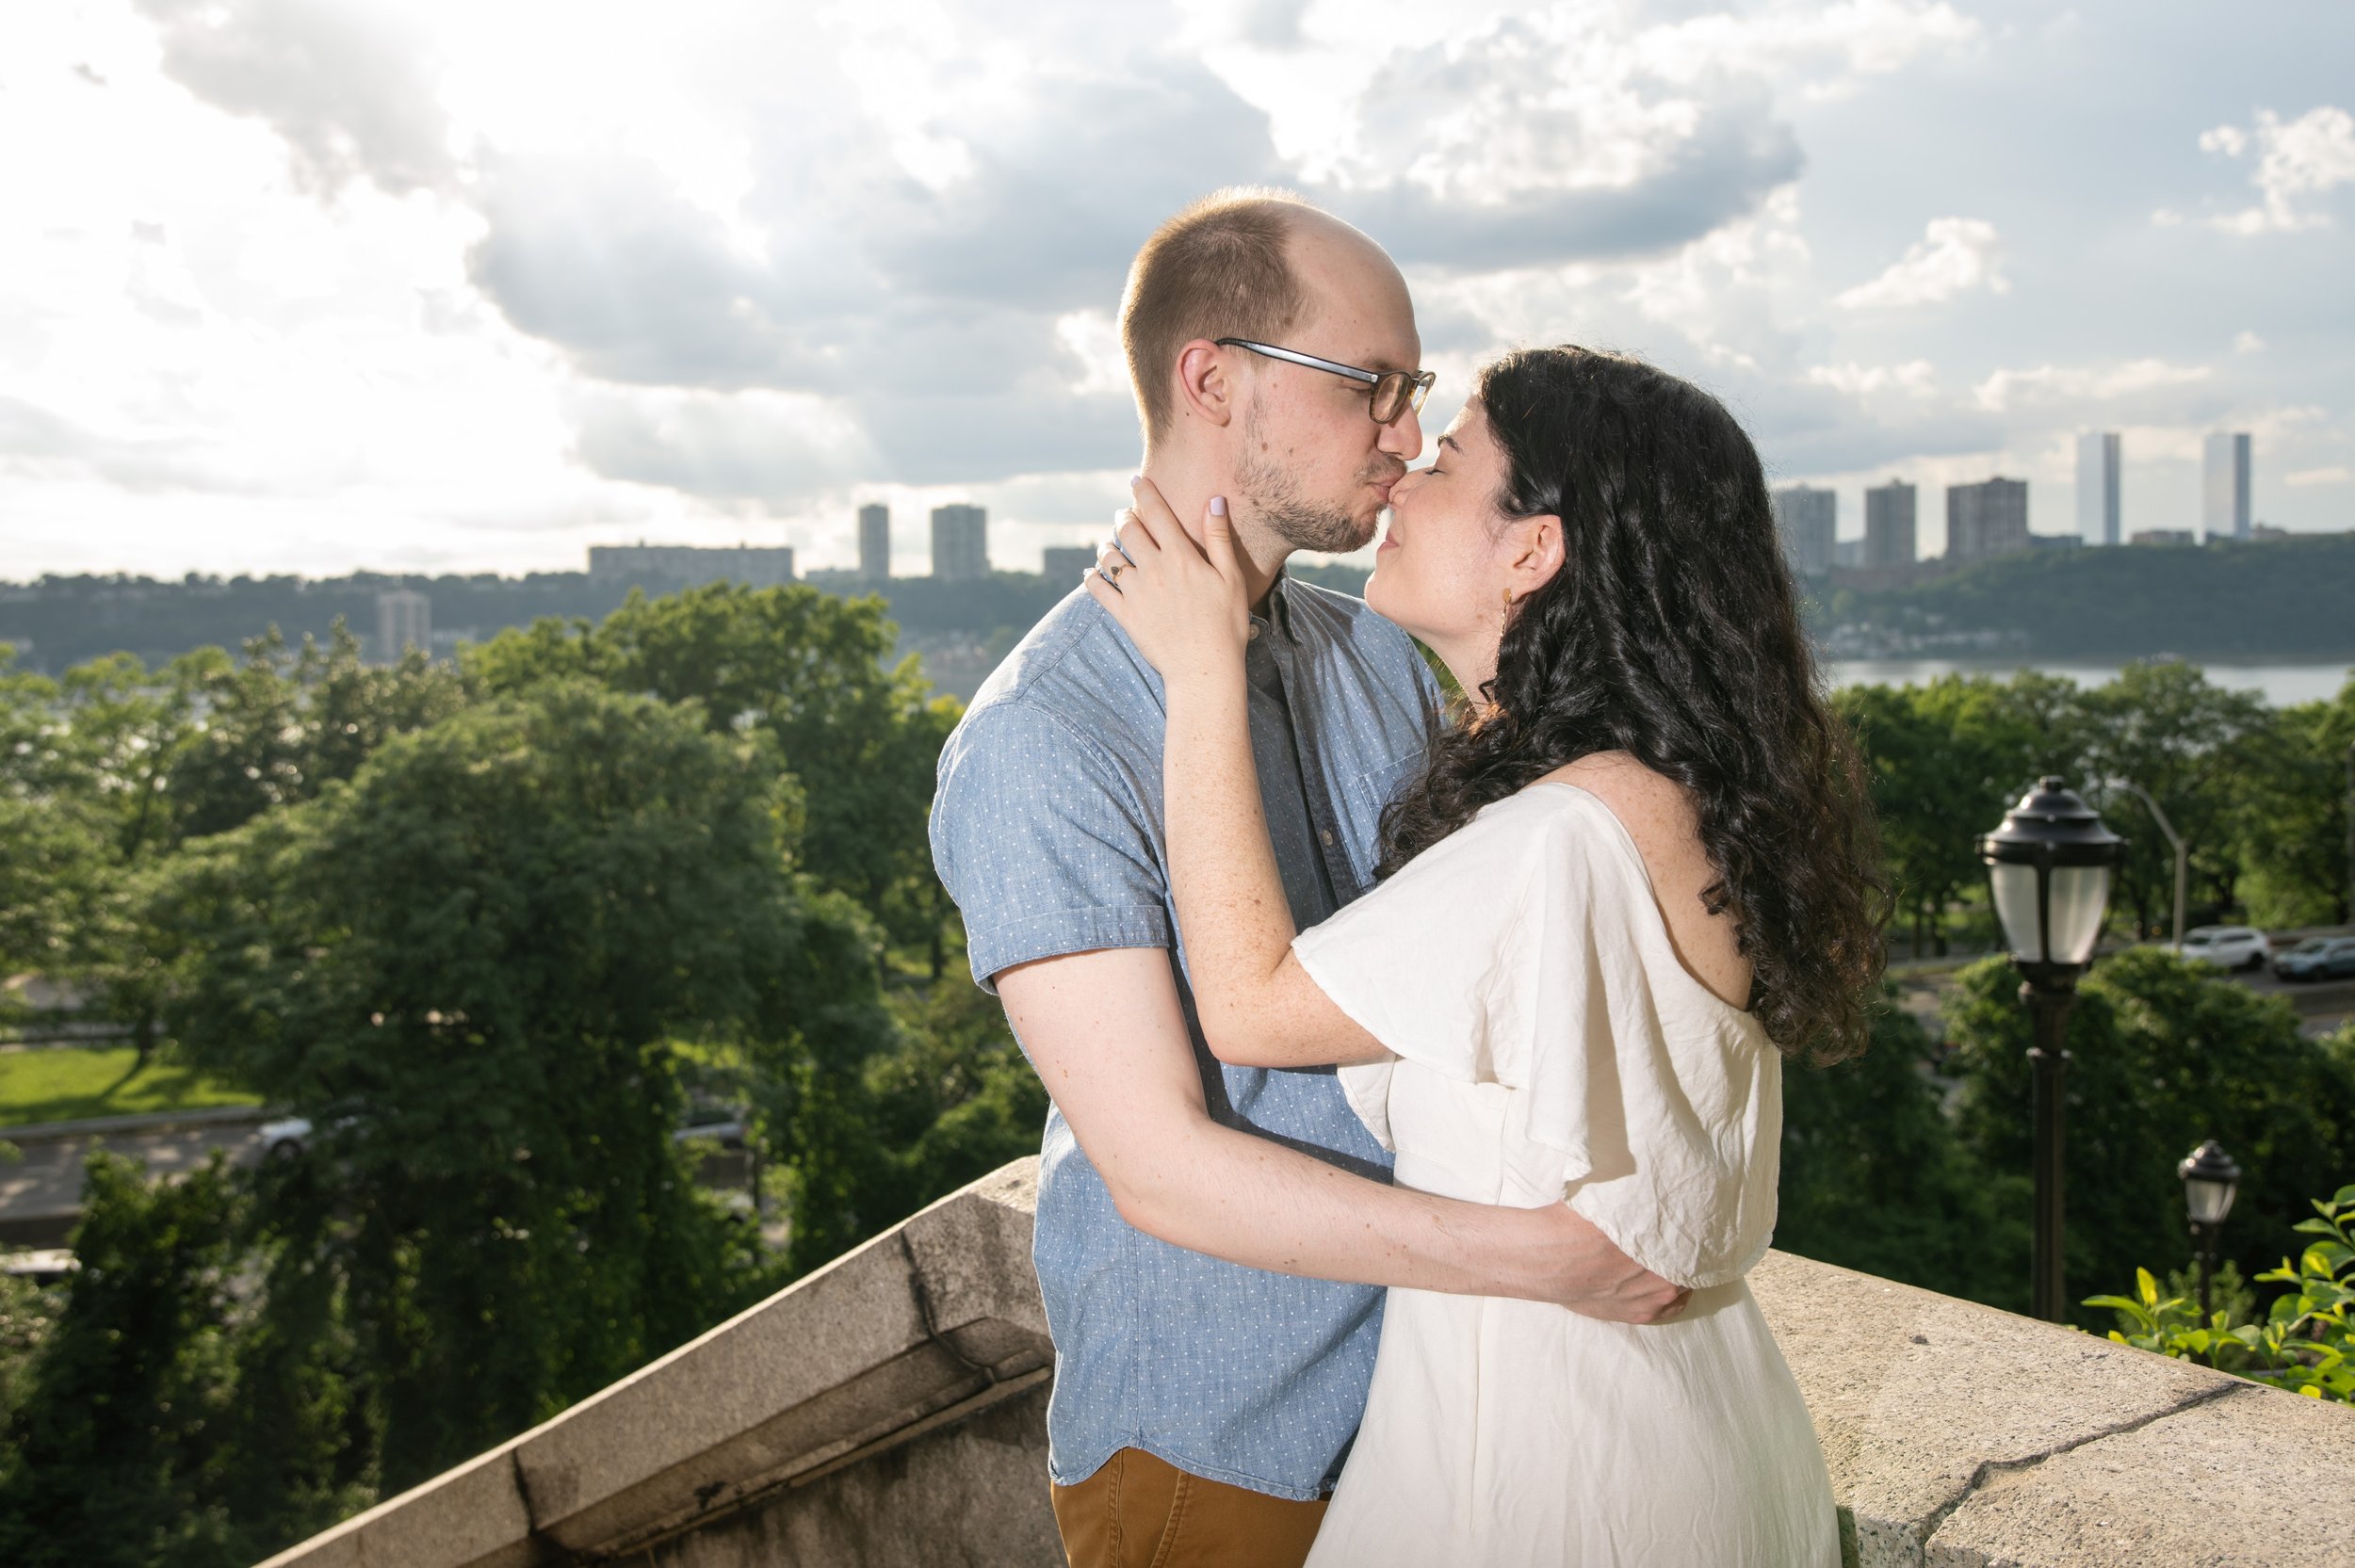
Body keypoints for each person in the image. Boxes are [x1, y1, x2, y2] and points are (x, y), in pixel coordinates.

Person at [930, 193, 1686, 1568]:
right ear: (1214, 379)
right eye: (1371, 387)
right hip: (1227, 1443)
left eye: (1416, 393)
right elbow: (1160, 1169)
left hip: (1445, 1414)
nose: (1406, 436)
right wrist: (1546, 1257)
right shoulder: (1044, 736)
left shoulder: (1374, 653)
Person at [1087, 345, 1888, 1564]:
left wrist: (1202, 668)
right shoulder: (1670, 797)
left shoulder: (1558, 838)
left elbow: (1247, 1008)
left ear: (1533, 549)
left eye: (1449, 461)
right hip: (1710, 1442)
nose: (1402, 474)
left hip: (1548, 1478)